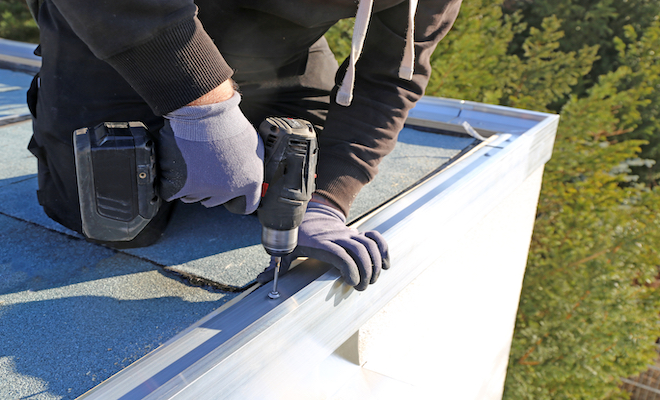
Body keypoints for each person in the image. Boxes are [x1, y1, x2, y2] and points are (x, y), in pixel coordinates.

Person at [25, 0, 462, 291]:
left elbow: (389, 75)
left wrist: (328, 199)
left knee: (299, 164)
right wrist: (205, 110)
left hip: (280, 48)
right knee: (118, 222)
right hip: (115, 25)